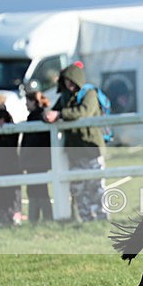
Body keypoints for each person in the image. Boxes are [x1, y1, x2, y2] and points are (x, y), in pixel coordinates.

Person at [44, 63, 106, 222]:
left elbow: (84, 112)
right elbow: (54, 111)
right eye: (66, 81)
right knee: (78, 188)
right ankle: (86, 219)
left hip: (91, 148)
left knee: (95, 185)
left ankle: (101, 218)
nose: (69, 84)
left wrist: (59, 115)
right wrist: (46, 115)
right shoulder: (64, 97)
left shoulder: (90, 93)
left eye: (71, 81)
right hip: (74, 150)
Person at [20, 90, 53, 223]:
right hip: (37, 159)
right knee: (36, 189)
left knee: (38, 189)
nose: (26, 104)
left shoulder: (37, 117)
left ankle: (40, 217)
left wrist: (25, 155)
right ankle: (39, 217)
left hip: (36, 160)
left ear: (34, 102)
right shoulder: (37, 116)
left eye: (27, 101)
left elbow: (33, 141)